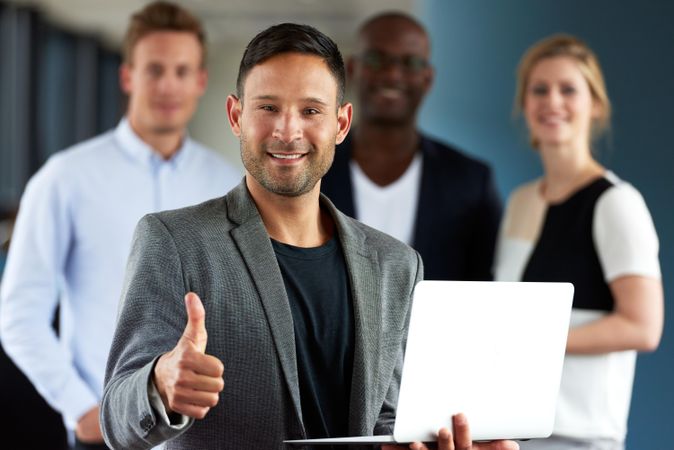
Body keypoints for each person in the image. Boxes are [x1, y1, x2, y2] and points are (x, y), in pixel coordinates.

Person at [100, 22, 518, 450]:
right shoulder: (174, 241)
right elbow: (116, 418)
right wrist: (159, 387)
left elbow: (386, 419)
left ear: (341, 123)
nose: (288, 131)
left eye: (311, 110)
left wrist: (428, 442)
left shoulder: (397, 265)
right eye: (267, 108)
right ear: (235, 116)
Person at [0, 2, 240, 449]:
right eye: (154, 70)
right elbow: (19, 314)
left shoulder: (228, 185)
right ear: (128, 76)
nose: (168, 85)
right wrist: (81, 408)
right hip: (106, 433)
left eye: (182, 71)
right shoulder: (65, 177)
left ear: (201, 81)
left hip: (203, 435)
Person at [494, 34, 663, 449]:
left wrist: (536, 337)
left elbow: (643, 326)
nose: (552, 101)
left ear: (596, 105)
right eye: (539, 89)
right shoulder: (519, 202)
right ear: (525, 106)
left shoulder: (617, 203)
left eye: (568, 89)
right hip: (513, 433)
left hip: (580, 437)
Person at [321, 12, 501, 281]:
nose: (393, 74)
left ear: (427, 79)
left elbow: (487, 289)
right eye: (376, 59)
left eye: (410, 63)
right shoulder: (314, 171)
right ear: (352, 70)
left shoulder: (471, 181)